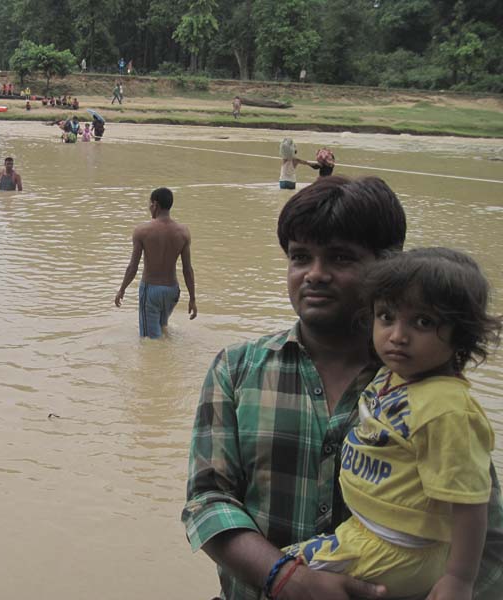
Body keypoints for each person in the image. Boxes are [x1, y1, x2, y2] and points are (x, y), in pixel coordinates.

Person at [182, 176, 503, 600]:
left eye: (340, 258)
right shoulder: (237, 369)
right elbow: (207, 502)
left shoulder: (431, 393)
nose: (315, 274)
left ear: (387, 268)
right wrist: (287, 578)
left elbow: (484, 531)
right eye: (300, 257)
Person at [282, 246, 500, 600]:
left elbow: (471, 503)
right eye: (386, 316)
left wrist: (459, 578)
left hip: (398, 549)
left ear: (462, 334)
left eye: (423, 322)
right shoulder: (397, 377)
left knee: (283, 575)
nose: (397, 335)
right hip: (368, 531)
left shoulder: (447, 409)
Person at [114, 187, 196, 339]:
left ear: (155, 205)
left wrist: (122, 289)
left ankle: (159, 362)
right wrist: (192, 298)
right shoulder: (183, 232)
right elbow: (187, 269)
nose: (149, 207)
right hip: (172, 292)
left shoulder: (142, 231)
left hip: (151, 291)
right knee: (162, 327)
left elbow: (133, 267)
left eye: (149, 204)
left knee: (149, 340)